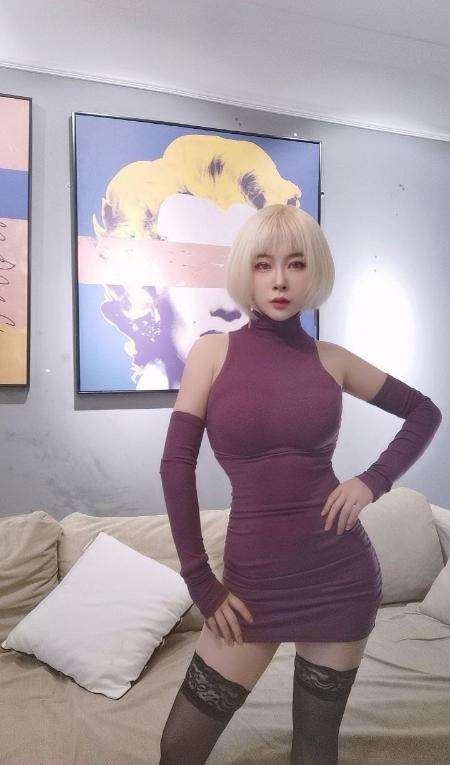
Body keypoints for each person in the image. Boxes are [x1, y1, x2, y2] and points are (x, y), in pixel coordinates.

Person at [158, 204, 442, 764]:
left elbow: (424, 411)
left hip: (339, 578)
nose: (281, 280)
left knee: (314, 747)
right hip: (250, 587)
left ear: (314, 273)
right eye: (264, 265)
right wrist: (200, 580)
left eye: (296, 264)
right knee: (179, 747)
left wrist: (373, 480)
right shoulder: (212, 353)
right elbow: (175, 465)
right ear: (246, 271)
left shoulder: (331, 360)